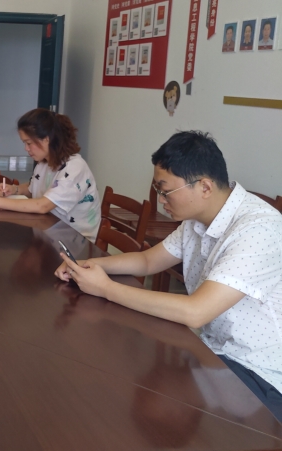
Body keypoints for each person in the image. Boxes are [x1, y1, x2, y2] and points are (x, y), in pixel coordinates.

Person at [55, 131, 282, 420]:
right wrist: (87, 265)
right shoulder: (199, 218)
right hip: (214, 354)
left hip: (258, 375)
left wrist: (105, 288)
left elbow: (196, 312)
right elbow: (148, 260)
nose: (161, 200)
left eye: (165, 191)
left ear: (205, 187)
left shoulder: (258, 228)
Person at [0, 108, 101, 242]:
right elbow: (33, 187)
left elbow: (43, 206)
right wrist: (15, 189)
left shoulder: (74, 167)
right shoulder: (44, 162)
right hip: (48, 232)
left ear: (46, 139)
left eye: (29, 143)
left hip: (74, 241)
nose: (26, 148)